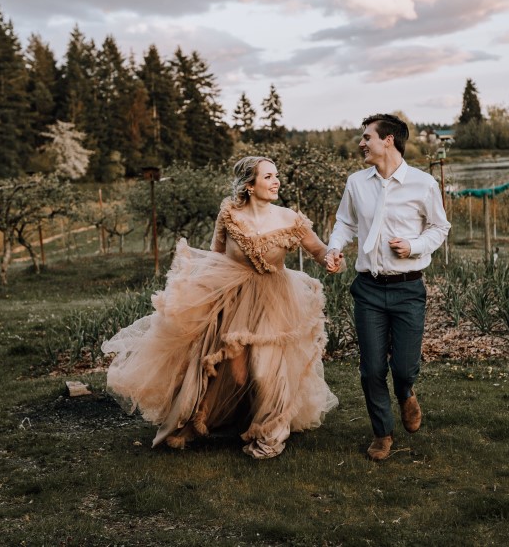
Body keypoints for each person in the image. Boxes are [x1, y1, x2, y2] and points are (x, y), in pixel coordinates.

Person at [102, 156, 344, 460]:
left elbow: (318, 248)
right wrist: (201, 301)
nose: (276, 182)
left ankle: (271, 436)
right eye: (268, 177)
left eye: (276, 176)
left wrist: (330, 259)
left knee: (265, 371)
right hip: (234, 299)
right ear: (249, 185)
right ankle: (234, 420)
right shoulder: (229, 215)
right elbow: (216, 259)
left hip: (275, 299)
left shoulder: (289, 218)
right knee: (238, 374)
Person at [325, 114, 450, 461]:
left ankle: (407, 391)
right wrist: (335, 248)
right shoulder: (356, 183)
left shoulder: (423, 184)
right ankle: (382, 433)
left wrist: (414, 246)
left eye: (367, 137)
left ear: (388, 140)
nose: (361, 144)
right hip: (368, 288)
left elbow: (440, 228)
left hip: (408, 288)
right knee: (371, 369)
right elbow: (344, 222)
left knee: (404, 367)